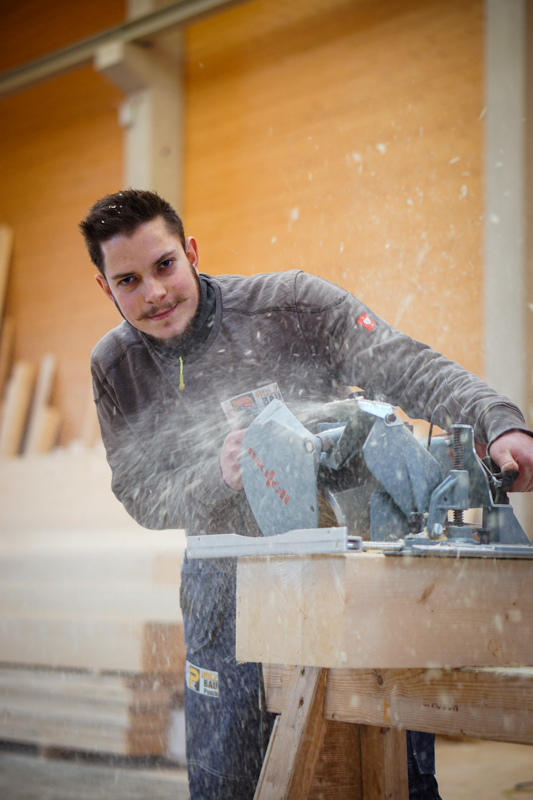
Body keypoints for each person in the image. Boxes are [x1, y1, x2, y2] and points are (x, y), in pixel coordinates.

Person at [81, 189, 533, 800]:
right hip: (224, 593)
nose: (155, 293)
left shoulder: (291, 304)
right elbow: (139, 495)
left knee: (387, 775)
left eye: (164, 266)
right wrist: (218, 477)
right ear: (106, 290)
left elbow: (410, 367)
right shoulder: (115, 366)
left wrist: (497, 420)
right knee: (228, 780)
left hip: (345, 578)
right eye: (129, 281)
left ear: (190, 252)